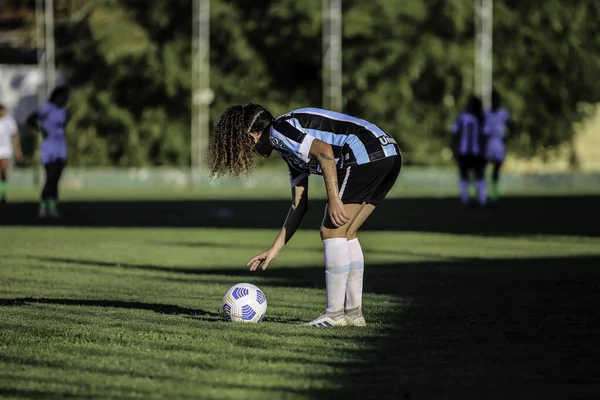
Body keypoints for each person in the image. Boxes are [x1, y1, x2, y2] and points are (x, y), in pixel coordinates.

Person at [208, 104, 402, 327]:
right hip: (389, 153)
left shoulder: (279, 131)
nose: (249, 152)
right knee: (347, 233)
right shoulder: (288, 147)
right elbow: (298, 205)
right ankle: (354, 314)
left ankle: (334, 314)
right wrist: (275, 248)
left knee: (331, 231)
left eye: (243, 145)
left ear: (251, 137)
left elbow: (324, 151)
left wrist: (334, 200)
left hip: (365, 152)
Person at [27, 86, 69, 218]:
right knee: (49, 178)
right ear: (55, 96)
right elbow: (31, 119)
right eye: (61, 96)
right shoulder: (47, 108)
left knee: (56, 179)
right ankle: (43, 207)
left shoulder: (63, 111)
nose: (63, 99)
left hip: (61, 148)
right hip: (49, 148)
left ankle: (53, 207)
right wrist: (40, 129)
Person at [450, 95, 488, 207]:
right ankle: (464, 199)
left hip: (476, 152)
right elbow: (454, 134)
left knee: (480, 175)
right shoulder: (461, 118)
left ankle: (482, 199)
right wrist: (454, 149)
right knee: (463, 175)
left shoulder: (481, 118)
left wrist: (484, 151)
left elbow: (484, 136)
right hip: (463, 151)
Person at [484, 90, 514, 202]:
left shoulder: (503, 113)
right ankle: (482, 192)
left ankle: (494, 193)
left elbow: (512, 126)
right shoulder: (485, 113)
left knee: (496, 168)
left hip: (498, 143)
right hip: (488, 142)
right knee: (482, 168)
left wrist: (507, 137)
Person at [0, 104, 24, 205]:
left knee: (4, 173)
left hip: (5, 151)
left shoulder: (10, 121)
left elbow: (15, 136)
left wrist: (18, 151)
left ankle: (3, 195)